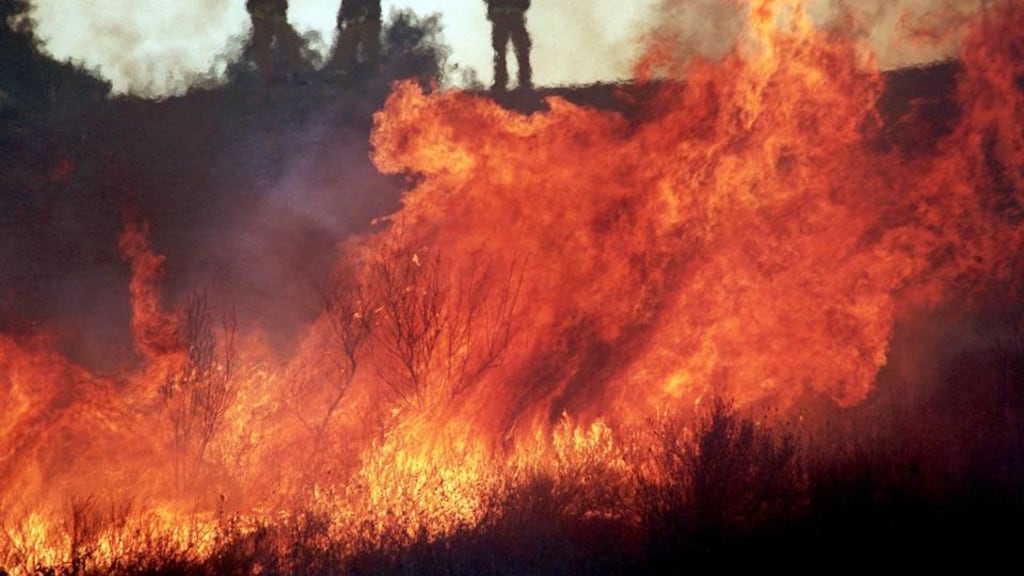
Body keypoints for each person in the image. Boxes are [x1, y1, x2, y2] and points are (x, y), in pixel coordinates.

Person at [246, 0, 304, 85]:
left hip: (274, 15)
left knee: (290, 43)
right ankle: (267, 77)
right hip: (261, 15)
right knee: (262, 48)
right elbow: (250, 6)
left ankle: (296, 73)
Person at [485, 0, 532, 92]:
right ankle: (522, 81)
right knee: (514, 50)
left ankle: (504, 81)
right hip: (509, 14)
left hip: (505, 14)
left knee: (504, 50)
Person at [334, 0, 382, 80]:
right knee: (344, 49)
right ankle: (342, 76)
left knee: (371, 50)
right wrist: (340, 19)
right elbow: (344, 4)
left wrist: (365, 13)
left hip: (368, 21)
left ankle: (377, 76)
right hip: (351, 21)